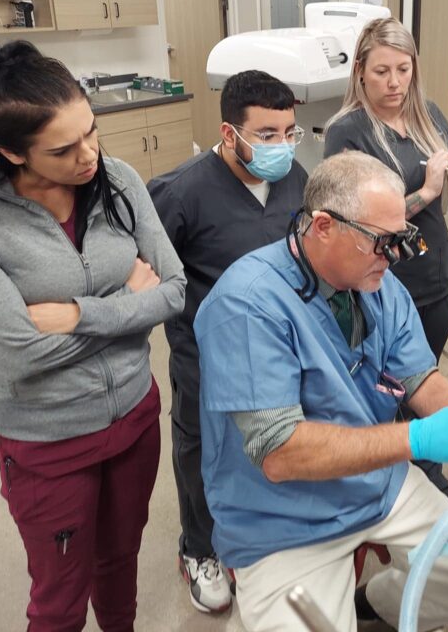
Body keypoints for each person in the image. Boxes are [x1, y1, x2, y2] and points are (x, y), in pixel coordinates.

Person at [0, 41, 186, 632]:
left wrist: (77, 315)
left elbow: (174, 291)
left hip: (133, 420)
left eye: (91, 133)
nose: (89, 155)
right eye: (63, 149)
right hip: (47, 442)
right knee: (59, 600)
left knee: (120, 564)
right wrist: (129, 302)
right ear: (8, 151)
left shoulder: (117, 180)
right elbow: (18, 352)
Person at [194, 151, 448, 631]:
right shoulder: (248, 305)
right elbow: (280, 455)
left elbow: (421, 379)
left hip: (375, 482)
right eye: (381, 243)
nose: (393, 257)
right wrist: (416, 441)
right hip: (281, 518)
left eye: (400, 240)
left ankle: (382, 602)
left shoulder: (379, 284)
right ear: (323, 227)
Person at [147, 69, 308, 613]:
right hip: (205, 355)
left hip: (278, 348)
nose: (281, 145)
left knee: (270, 445)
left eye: (289, 131)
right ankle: (199, 549)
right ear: (228, 132)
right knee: (201, 449)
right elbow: (150, 276)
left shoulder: (295, 178)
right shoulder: (182, 191)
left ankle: (256, 537)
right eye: (266, 134)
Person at [323, 17, 448, 499]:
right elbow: (353, 217)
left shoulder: (428, 116)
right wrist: (425, 191)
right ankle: (387, 473)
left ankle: (428, 469)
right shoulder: (347, 132)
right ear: (360, 71)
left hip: (437, 273)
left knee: (427, 377)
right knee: (384, 389)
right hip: (383, 281)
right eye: (381, 72)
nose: (395, 82)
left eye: (403, 69)